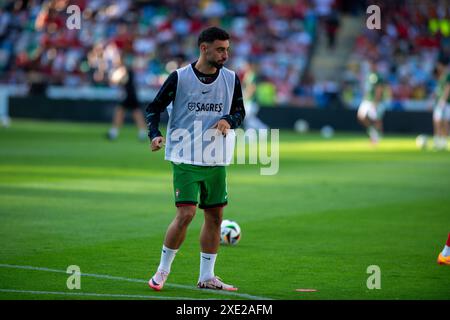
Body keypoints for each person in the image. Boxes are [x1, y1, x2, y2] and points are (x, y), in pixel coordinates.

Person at [145, 27, 245, 291]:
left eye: (227, 49)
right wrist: (154, 134)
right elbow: (153, 108)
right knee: (186, 213)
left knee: (214, 217)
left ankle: (207, 277)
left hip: (216, 157)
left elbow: (239, 112)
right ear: (204, 48)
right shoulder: (180, 78)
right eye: (220, 49)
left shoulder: (232, 79)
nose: (226, 54)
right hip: (185, 156)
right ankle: (161, 271)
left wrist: (228, 120)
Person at [107, 57, 147, 141]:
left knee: (121, 112)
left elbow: (117, 80)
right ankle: (142, 132)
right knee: (135, 113)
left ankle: (114, 132)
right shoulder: (129, 70)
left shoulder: (123, 70)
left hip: (128, 94)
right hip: (132, 94)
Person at [357, 60, 388, 145]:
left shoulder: (378, 76)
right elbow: (367, 89)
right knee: (361, 116)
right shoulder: (368, 75)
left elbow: (379, 89)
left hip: (374, 101)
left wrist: (376, 101)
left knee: (376, 118)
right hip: (367, 100)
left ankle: (378, 135)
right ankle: (372, 131)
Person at [431, 57, 450, 151]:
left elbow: (447, 88)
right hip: (441, 102)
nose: (438, 67)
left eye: (439, 65)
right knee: (438, 121)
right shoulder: (441, 76)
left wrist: (443, 101)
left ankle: (443, 141)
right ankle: (439, 140)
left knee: (443, 122)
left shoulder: (447, 75)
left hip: (445, 103)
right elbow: (439, 90)